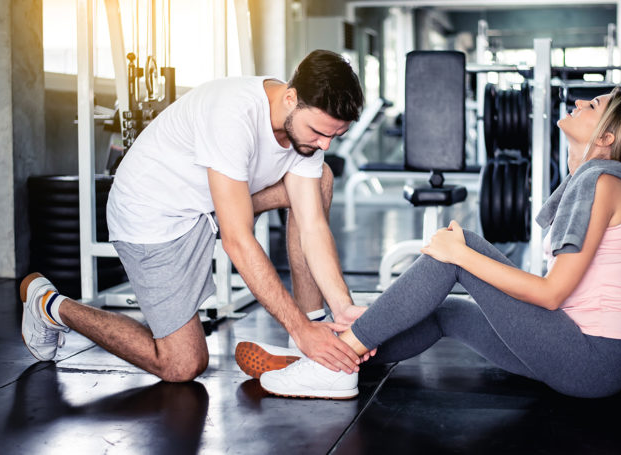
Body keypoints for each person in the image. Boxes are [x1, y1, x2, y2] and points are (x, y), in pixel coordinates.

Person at [238, 87, 621, 399]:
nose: (579, 102)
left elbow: (550, 296)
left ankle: (336, 355)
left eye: (593, 105)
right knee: (446, 310)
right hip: (591, 361)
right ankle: (330, 365)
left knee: (459, 254)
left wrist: (460, 257)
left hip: (585, 361)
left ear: (606, 137)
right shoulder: (609, 181)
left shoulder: (602, 183)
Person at [20, 49, 370, 382]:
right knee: (181, 364)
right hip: (155, 216)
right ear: (291, 98)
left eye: (335, 136)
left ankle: (314, 331)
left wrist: (343, 309)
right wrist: (297, 328)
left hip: (209, 207)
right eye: (320, 132)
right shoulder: (234, 113)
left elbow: (312, 226)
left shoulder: (305, 133)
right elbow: (237, 239)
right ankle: (50, 305)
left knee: (318, 180)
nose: (326, 145)